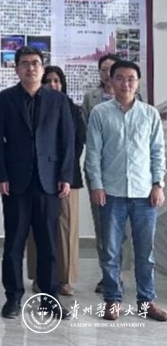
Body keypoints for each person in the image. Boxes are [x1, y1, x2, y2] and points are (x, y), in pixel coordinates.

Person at [0, 46, 74, 320]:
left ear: (42, 67)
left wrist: (65, 176)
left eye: (35, 63)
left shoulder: (58, 100)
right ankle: (13, 298)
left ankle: (50, 299)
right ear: (16, 69)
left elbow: (67, 141)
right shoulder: (4, 99)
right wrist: (0, 175)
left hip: (49, 182)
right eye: (25, 63)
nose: (30, 68)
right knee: (14, 243)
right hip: (15, 182)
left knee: (48, 243)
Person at [85, 60, 167, 321]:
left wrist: (158, 184)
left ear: (138, 82)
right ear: (111, 81)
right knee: (111, 251)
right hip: (111, 193)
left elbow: (158, 152)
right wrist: (97, 185)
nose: (126, 83)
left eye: (131, 78)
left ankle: (146, 301)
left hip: (145, 194)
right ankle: (113, 300)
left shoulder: (150, 114)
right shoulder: (100, 113)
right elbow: (93, 153)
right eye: (120, 78)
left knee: (145, 253)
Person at [27, 66, 86, 296]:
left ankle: (64, 278)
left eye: (57, 81)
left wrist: (63, 171)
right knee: (37, 228)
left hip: (66, 177)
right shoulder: (33, 104)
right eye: (48, 81)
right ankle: (39, 277)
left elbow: (77, 142)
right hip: (38, 178)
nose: (53, 85)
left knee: (65, 227)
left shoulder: (71, 107)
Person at [82, 53, 133, 293]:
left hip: (126, 171)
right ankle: (107, 273)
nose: (107, 73)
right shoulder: (91, 98)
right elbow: (86, 132)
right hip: (99, 169)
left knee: (124, 227)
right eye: (103, 69)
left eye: (111, 69)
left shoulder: (135, 98)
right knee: (103, 225)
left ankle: (119, 273)